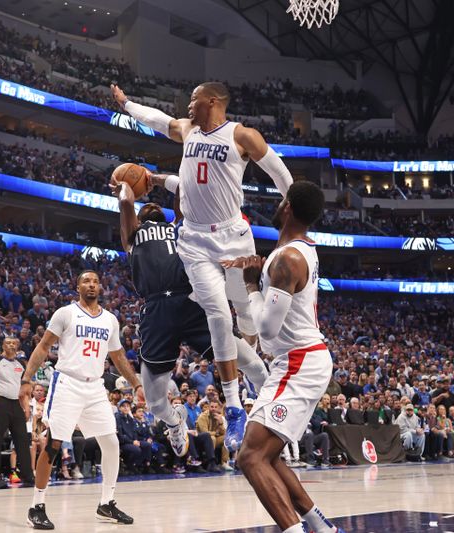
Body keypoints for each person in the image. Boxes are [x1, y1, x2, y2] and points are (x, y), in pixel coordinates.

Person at [111, 81, 294, 451]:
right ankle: (233, 406)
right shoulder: (188, 130)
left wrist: (295, 216)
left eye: (193, 99)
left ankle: (257, 361)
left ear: (212, 101)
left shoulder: (241, 135)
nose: (187, 106)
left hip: (232, 237)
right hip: (194, 242)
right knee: (218, 315)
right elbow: (159, 120)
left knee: (244, 314)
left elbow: (279, 173)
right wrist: (128, 105)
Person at [112, 180, 268, 459]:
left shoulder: (181, 228)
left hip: (193, 300)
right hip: (157, 309)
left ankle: (266, 419)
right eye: (146, 205)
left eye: (156, 204)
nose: (152, 204)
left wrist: (153, 177)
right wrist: (126, 183)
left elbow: (185, 185)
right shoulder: (133, 234)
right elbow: (125, 202)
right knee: (155, 401)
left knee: (255, 365)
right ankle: (175, 422)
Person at [226, 182, 345, 533]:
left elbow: (266, 329)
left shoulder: (288, 259)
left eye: (281, 200)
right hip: (297, 361)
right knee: (267, 455)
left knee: (249, 456)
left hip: (298, 361)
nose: (277, 204)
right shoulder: (296, 250)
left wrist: (250, 285)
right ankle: (322, 528)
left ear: (288, 207)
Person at [20, 270, 143, 529]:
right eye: (86, 281)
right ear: (78, 287)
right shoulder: (66, 313)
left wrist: (136, 384)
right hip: (67, 383)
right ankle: (36, 506)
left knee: (111, 443)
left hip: (95, 387)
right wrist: (27, 379)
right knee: (53, 443)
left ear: (101, 287)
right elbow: (43, 346)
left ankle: (106, 503)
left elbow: (118, 357)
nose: (91, 285)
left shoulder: (110, 319)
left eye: (95, 281)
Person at [0, 337, 35, 489]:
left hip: (16, 404)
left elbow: (24, 390)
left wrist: (26, 408)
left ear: (18, 346)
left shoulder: (20, 365)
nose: (11, 345)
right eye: (8, 343)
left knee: (23, 441)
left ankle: (27, 476)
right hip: (0, 402)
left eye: (14, 343)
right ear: (3, 345)